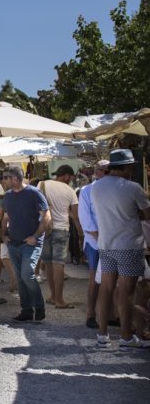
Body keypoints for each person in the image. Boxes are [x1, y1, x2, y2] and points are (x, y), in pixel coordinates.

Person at [89, 149, 150, 348]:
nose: (133, 169)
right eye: (131, 165)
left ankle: (102, 333)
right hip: (129, 245)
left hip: (106, 244)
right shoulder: (133, 188)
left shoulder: (96, 187)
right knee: (126, 292)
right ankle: (125, 336)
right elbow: (147, 214)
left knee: (106, 289)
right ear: (126, 166)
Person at [0, 166, 51, 322]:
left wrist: (35, 236)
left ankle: (39, 307)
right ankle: (26, 310)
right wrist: (4, 234)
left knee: (27, 274)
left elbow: (46, 216)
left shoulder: (34, 193)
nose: (3, 180)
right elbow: (5, 217)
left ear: (15, 178)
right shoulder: (8, 196)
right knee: (20, 278)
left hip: (30, 243)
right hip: (14, 243)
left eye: (6, 177)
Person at [37, 165, 82, 309]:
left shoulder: (42, 184)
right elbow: (76, 216)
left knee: (48, 263)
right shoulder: (70, 191)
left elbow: (37, 205)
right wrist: (81, 233)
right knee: (59, 264)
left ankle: (52, 295)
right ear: (67, 176)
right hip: (62, 229)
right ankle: (60, 299)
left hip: (46, 228)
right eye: (71, 178)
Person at [78, 160, 110, 329]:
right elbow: (85, 219)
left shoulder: (114, 189)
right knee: (94, 279)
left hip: (113, 240)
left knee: (115, 280)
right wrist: (99, 236)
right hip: (95, 241)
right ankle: (91, 314)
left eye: (104, 170)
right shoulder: (86, 191)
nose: (100, 173)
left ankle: (111, 314)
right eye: (100, 170)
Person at [0, 171, 18, 293]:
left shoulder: (7, 196)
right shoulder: (26, 192)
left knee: (4, 255)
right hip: (24, 229)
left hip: (10, 229)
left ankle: (15, 278)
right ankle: (17, 278)